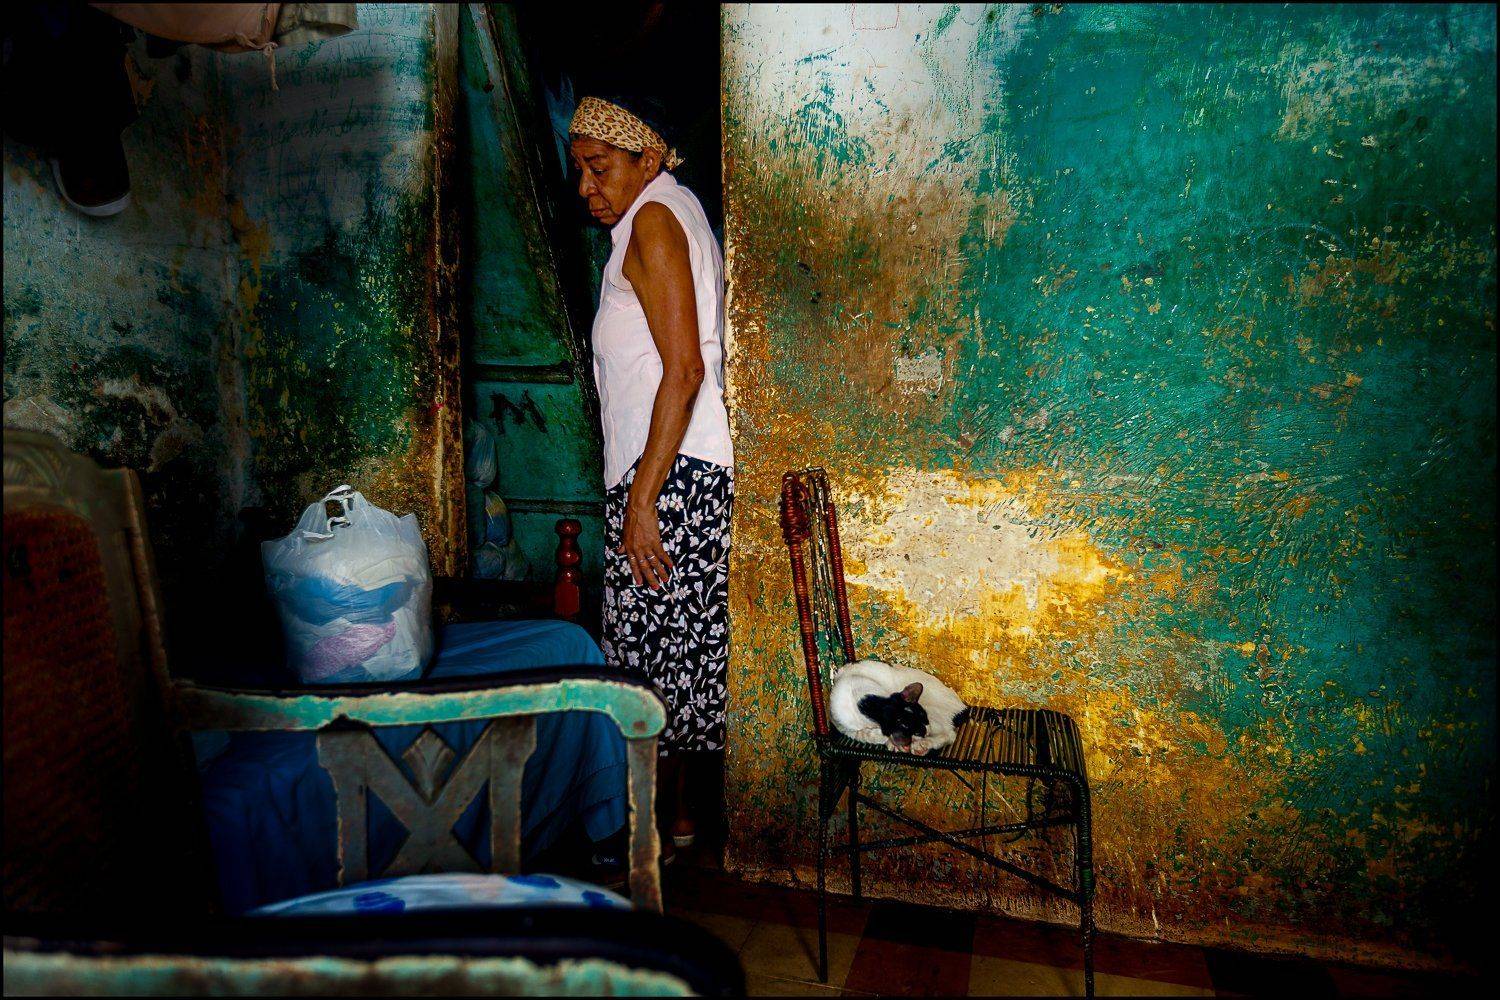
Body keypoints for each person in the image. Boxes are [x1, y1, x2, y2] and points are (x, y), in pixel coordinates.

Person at [568, 95, 733, 858]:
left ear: (646, 158)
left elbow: (685, 369)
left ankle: (650, 837)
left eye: (599, 169)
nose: (586, 190)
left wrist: (641, 501)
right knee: (672, 655)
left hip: (668, 478)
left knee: (655, 658)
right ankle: (678, 826)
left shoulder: (656, 221)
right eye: (580, 172)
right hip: (672, 472)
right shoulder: (668, 213)